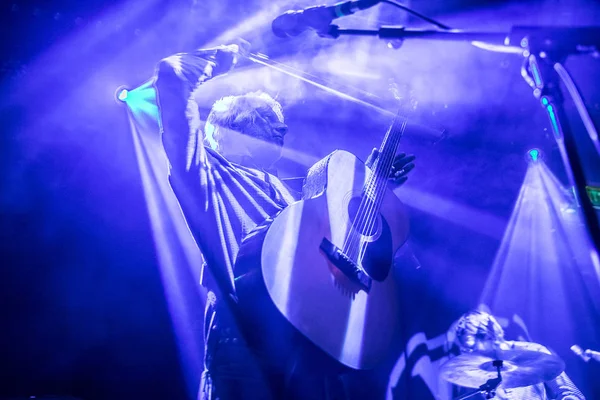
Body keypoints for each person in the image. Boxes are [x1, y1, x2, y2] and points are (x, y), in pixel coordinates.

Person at [153, 43, 416, 400]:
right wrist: (228, 54)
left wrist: (372, 184)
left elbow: (334, 254)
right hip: (246, 355)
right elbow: (172, 75)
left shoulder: (291, 197)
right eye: (262, 118)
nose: (282, 128)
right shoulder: (207, 176)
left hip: (311, 351)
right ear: (229, 130)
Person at [450, 310, 585, 399]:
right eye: (466, 350)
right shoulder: (473, 371)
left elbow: (569, 392)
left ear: (489, 335)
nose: (471, 354)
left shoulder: (534, 353)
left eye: (472, 346)